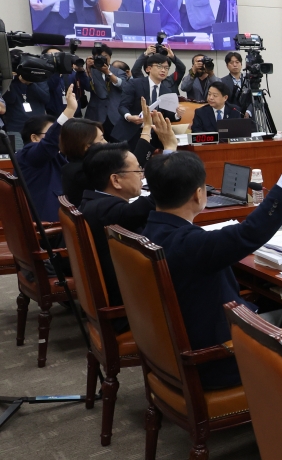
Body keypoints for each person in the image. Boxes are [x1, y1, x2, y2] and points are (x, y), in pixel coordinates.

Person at [141, 122, 282, 389]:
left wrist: (170, 152)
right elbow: (250, 233)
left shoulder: (148, 230)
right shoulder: (191, 245)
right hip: (218, 360)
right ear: (198, 194)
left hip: (174, 350)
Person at [80, 120, 177, 314]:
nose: (142, 176)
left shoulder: (93, 201)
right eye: (138, 170)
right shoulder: (113, 212)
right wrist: (170, 150)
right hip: (133, 307)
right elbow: (160, 197)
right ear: (115, 180)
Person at [60, 109, 172, 206]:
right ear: (86, 146)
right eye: (102, 139)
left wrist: (147, 127)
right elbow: (128, 165)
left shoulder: (70, 167)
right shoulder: (84, 172)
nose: (106, 142)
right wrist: (169, 147)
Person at [16, 89, 77, 222]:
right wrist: (69, 110)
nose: (60, 137)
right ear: (34, 138)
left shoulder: (55, 155)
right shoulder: (28, 154)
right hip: (47, 225)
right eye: (50, 133)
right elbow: (50, 143)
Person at [112, 54, 183, 145]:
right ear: (148, 69)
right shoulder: (134, 84)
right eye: (159, 66)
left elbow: (169, 115)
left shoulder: (167, 91)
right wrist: (129, 117)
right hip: (130, 132)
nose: (163, 70)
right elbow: (123, 106)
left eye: (166, 68)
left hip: (153, 134)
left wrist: (177, 114)